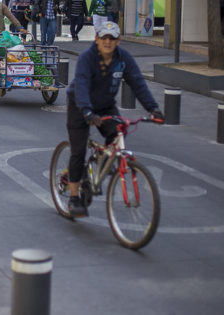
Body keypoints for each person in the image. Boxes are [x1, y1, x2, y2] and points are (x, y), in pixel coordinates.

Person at [64, 21, 163, 216]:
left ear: (118, 41)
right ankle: (74, 197)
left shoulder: (123, 58)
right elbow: (82, 85)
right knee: (78, 151)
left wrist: (153, 109)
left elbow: (137, 82)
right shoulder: (87, 58)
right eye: (104, 38)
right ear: (96, 39)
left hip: (106, 105)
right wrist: (87, 112)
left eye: (112, 38)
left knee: (117, 133)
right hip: (80, 105)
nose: (107, 42)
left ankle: (101, 165)